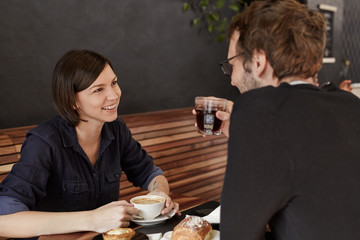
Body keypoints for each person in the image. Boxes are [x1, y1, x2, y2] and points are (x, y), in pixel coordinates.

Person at [219, 0, 360, 239]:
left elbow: (237, 233)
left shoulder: (258, 111)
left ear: (258, 60)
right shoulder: (350, 105)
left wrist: (248, 131)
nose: (232, 79)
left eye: (232, 64)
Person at [0, 50, 179, 238]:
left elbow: (149, 172)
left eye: (114, 83)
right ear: (72, 101)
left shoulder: (115, 129)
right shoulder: (44, 142)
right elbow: (4, 220)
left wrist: (159, 194)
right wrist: (93, 219)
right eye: (98, 89)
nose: (113, 95)